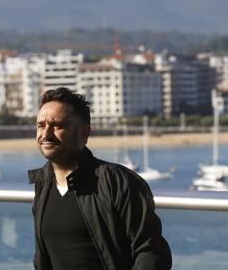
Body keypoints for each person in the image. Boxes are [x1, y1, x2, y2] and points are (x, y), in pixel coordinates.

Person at [28, 87, 172, 270]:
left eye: (58, 126)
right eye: (41, 125)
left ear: (84, 134)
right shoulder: (43, 186)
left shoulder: (117, 182)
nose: (46, 134)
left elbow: (151, 253)